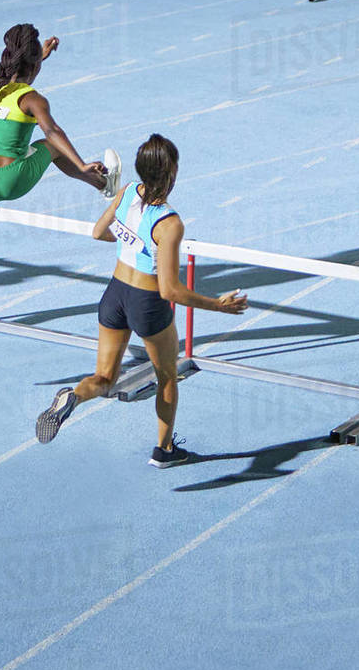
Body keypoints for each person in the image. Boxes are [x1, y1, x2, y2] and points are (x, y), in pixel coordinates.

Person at [34, 134, 248, 466]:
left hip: (115, 294)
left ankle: (73, 395)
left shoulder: (127, 192)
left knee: (104, 379)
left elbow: (98, 232)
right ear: (172, 173)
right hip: (147, 304)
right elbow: (170, 291)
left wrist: (131, 241)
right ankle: (164, 451)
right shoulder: (170, 224)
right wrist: (217, 305)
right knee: (166, 378)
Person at [0, 23, 121, 354]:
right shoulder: (34, 99)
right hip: (11, 179)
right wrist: (80, 164)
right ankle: (101, 184)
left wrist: (40, 58)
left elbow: (17, 83)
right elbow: (52, 131)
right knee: (47, 147)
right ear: (33, 66)